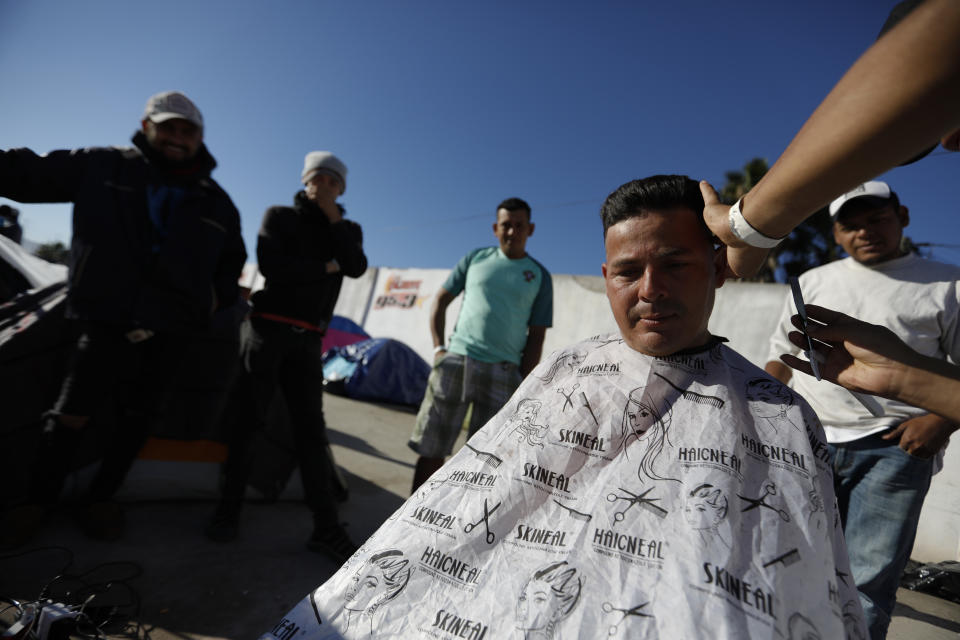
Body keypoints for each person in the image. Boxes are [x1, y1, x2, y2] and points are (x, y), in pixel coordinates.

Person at [259, 175, 867, 639]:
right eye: (628, 272)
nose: (650, 290)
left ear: (718, 266)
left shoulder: (778, 416)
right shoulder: (569, 373)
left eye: (675, 264)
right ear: (605, 277)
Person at [0, 91, 247, 546]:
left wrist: (212, 301)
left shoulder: (217, 202)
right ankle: (36, 502)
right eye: (168, 127)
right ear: (147, 126)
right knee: (71, 413)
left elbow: (231, 265)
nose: (177, 137)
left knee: (138, 419)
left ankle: (101, 501)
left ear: (200, 138)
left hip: (171, 329)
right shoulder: (104, 165)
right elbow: (24, 173)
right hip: (105, 319)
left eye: (187, 130)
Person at [763, 180, 960, 638]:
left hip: (895, 448)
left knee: (867, 580)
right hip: (807, 442)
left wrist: (941, 421)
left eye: (877, 219)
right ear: (835, 234)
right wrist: (755, 414)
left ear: (903, 217)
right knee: (791, 560)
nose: (865, 232)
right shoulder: (812, 282)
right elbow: (780, 355)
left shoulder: (948, 283)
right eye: (851, 225)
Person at [205, 151, 367, 562]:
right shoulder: (279, 216)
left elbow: (356, 266)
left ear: (342, 188)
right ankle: (228, 511)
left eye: (334, 181)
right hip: (267, 331)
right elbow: (275, 268)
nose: (325, 186)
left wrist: (333, 228)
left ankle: (326, 528)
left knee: (311, 433)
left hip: (308, 339)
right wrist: (328, 265)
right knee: (248, 422)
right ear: (305, 181)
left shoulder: (347, 229)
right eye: (319, 178)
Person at [408, 197, 553, 491]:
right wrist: (439, 350)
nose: (512, 232)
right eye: (505, 225)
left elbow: (536, 335)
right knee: (431, 448)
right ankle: (403, 528)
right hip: (456, 362)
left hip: (504, 372)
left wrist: (523, 384)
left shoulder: (539, 276)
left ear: (531, 229)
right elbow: (440, 302)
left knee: (486, 460)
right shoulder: (475, 259)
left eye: (519, 226)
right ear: (495, 228)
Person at [780, 304, 960, 424]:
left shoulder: (950, 281)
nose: (866, 242)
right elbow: (779, 347)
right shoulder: (812, 278)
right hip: (814, 428)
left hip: (894, 433)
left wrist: (939, 424)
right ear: (838, 242)